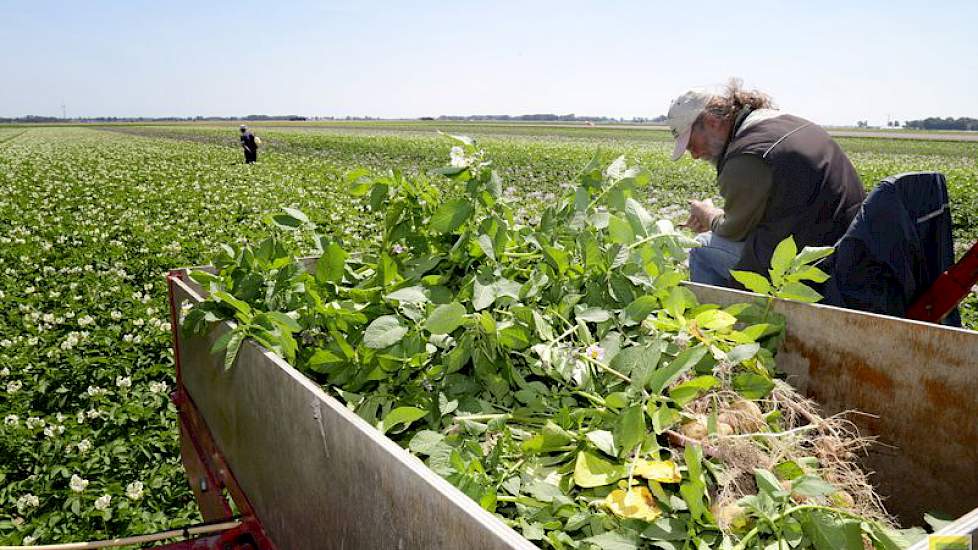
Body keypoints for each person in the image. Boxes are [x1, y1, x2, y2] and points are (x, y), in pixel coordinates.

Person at [666, 80, 865, 287]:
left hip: (812, 266)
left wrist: (708, 215)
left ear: (711, 122)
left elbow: (732, 231)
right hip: (848, 248)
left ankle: (717, 316)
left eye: (691, 145)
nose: (695, 155)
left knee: (702, 247)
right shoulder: (781, 121)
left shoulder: (746, 156)